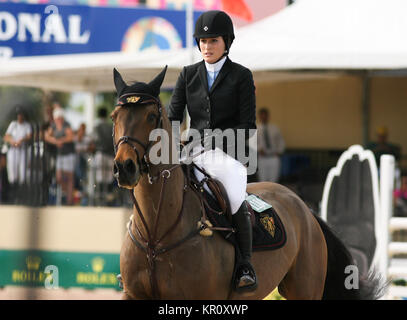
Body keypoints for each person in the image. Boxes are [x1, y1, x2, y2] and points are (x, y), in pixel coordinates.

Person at [168, 10, 257, 291]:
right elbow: (173, 116)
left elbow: (247, 125)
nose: (207, 47)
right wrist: (171, 146)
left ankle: (245, 264)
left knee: (233, 194)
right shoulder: (188, 74)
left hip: (228, 154)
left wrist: (212, 143)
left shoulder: (241, 76)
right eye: (202, 41)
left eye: (213, 41)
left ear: (226, 42)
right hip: (192, 151)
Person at [44, 107, 75, 205]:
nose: (58, 120)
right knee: (59, 177)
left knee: (69, 177)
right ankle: (66, 194)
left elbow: (71, 137)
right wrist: (55, 141)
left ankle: (69, 200)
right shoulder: (53, 126)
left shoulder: (67, 125)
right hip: (60, 155)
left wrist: (61, 141)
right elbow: (47, 136)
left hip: (68, 154)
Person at [3, 106, 32, 198]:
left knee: (22, 172)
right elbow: (7, 136)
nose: (20, 116)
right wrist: (12, 141)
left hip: (22, 150)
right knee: (12, 172)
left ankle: (22, 194)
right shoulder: (13, 124)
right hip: (13, 150)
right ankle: (13, 194)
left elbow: (29, 136)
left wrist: (21, 140)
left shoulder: (27, 125)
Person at [92, 107, 115, 205]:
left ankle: (100, 197)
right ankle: (109, 198)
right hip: (110, 154)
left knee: (100, 176)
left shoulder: (97, 127)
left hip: (101, 152)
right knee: (109, 176)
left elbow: (95, 140)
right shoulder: (111, 126)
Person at [256, 108, 285, 182]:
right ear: (259, 117)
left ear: (268, 116)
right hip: (262, 158)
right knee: (262, 181)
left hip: (274, 157)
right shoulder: (256, 128)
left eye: (265, 115)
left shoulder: (274, 128)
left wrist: (279, 151)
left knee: (273, 181)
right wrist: (259, 149)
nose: (263, 117)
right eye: (261, 116)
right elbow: (251, 143)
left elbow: (281, 141)